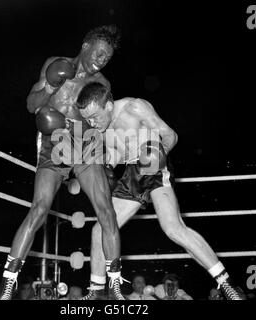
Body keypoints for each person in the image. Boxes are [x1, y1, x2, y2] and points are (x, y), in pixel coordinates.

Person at [76, 82, 245, 300]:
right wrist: (103, 166)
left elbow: (170, 136)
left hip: (153, 164)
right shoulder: (101, 128)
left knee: (173, 228)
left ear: (108, 105)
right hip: (131, 174)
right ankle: (97, 293)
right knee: (100, 229)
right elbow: (118, 154)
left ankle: (227, 284)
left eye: (94, 116)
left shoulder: (135, 107)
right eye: (87, 119)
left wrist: (154, 157)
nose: (91, 123)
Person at [0, 25, 125, 300]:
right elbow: (32, 105)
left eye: (107, 58)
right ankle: (8, 283)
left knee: (106, 211)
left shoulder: (103, 85)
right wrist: (51, 85)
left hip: (85, 143)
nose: (101, 60)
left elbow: (102, 124)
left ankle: (114, 286)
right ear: (85, 45)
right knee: (39, 208)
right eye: (99, 53)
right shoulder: (54, 65)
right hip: (54, 144)